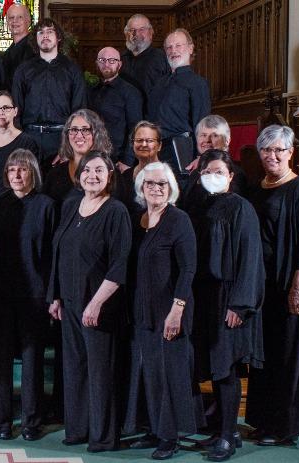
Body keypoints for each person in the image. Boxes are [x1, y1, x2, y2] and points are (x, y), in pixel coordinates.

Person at [47, 152, 131, 452]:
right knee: (74, 368)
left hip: (99, 305)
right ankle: (78, 428)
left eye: (99, 170)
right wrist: (54, 295)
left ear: (110, 175)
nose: (92, 175)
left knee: (99, 371)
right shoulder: (71, 205)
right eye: (87, 170)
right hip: (69, 302)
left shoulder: (116, 211)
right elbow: (58, 252)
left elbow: (119, 264)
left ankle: (103, 435)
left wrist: (96, 303)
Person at [123, 161, 203, 460]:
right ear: (141, 188)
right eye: (150, 184)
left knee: (170, 373)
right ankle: (153, 428)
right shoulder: (137, 219)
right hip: (141, 310)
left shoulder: (178, 219)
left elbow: (188, 268)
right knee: (148, 372)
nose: (156, 188)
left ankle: (170, 437)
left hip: (171, 309)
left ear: (171, 189)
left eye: (162, 184)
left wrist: (177, 309)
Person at [188, 150, 265, 461]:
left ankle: (229, 435)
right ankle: (222, 430)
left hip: (230, 298)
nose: (213, 176)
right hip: (206, 298)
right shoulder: (203, 205)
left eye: (220, 171)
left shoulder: (241, 208)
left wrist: (240, 305)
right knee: (215, 367)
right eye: (208, 171)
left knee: (227, 369)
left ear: (231, 176)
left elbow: (251, 259)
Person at [245, 125, 299, 446]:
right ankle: (263, 422)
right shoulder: (258, 187)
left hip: (291, 288)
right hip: (263, 287)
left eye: (278, 150)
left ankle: (285, 427)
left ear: (291, 153)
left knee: (287, 356)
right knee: (265, 355)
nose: (271, 156)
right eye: (266, 150)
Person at [0, 149, 55, 441]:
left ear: (33, 173)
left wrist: (52, 295)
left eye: (23, 169)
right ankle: (1, 421)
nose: (16, 175)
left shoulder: (46, 206)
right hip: (1, 295)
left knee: (32, 360)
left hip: (35, 296)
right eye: (12, 169)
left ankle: (31, 421)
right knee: (0, 359)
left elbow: (53, 254)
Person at [12, 18, 87, 165]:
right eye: (40, 32)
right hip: (29, 137)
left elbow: (79, 112)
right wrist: (20, 142)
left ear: (58, 37)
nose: (45, 35)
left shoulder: (72, 70)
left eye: (50, 31)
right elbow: (16, 109)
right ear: (36, 38)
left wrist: (68, 148)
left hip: (61, 138)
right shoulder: (23, 70)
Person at [148, 28, 210, 175]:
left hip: (183, 151)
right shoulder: (159, 84)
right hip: (156, 150)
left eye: (178, 45)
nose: (173, 50)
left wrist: (201, 156)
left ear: (190, 48)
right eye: (169, 47)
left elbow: (202, 123)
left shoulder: (198, 83)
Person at [89, 47, 143, 171]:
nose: (106, 64)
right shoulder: (92, 91)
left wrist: (127, 160)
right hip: (92, 156)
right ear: (97, 63)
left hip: (117, 160)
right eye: (102, 60)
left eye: (112, 60)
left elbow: (135, 127)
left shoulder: (130, 92)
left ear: (119, 64)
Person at [179, 115, 248, 211]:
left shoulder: (236, 174)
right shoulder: (194, 171)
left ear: (227, 141)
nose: (207, 140)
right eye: (203, 135)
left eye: (215, 135)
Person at [43, 109, 112, 203]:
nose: (79, 135)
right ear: (67, 135)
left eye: (85, 130)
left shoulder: (110, 173)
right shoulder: (55, 175)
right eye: (74, 130)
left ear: (96, 134)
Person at [119, 14, 170, 112]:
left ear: (151, 32)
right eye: (132, 30)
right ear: (126, 34)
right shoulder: (118, 59)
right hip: (124, 119)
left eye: (142, 29)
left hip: (152, 119)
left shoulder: (163, 58)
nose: (136, 34)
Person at [115, 120, 162, 213]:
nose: (144, 144)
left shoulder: (168, 176)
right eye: (139, 140)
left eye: (149, 141)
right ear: (132, 145)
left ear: (159, 145)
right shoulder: (125, 176)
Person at [2, 3, 35, 91]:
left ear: (28, 21)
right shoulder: (9, 51)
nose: (14, 21)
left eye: (20, 17)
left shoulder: (34, 49)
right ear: (7, 22)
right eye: (11, 18)